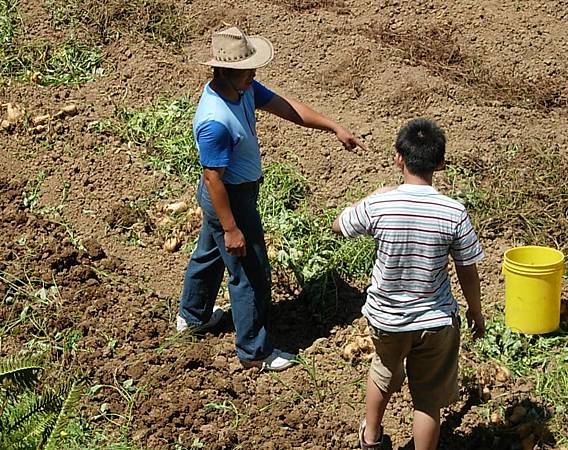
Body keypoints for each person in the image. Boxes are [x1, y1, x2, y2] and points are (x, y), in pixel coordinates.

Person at [177, 26, 366, 372]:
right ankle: (254, 352)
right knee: (251, 272)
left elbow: (288, 107)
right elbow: (213, 178)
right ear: (224, 70)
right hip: (230, 198)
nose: (254, 75)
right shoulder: (215, 120)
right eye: (247, 70)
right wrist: (233, 227)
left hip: (232, 194)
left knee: (209, 255)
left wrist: (334, 127)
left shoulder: (243, 89)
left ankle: (193, 316)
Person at [332, 118, 485, 450]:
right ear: (440, 164)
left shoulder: (380, 204)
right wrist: (476, 311)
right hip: (436, 321)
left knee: (384, 369)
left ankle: (371, 437)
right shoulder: (453, 212)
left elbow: (338, 226)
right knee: (428, 399)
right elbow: (467, 270)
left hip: (387, 319)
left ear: (398, 157)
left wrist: (374, 194)